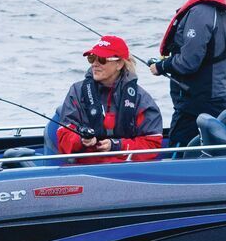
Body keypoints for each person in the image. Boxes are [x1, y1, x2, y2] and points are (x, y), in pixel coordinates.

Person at [147, 0, 226, 148]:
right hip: (209, 97)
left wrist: (161, 66)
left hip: (198, 101)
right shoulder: (212, 8)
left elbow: (189, 61)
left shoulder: (201, 11)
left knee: (182, 149)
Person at [55, 36, 164, 164]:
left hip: (125, 170)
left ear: (119, 64)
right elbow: (64, 135)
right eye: (91, 58)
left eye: (101, 59)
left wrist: (117, 145)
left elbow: (152, 145)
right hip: (85, 168)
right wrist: (81, 139)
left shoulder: (141, 98)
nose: (95, 64)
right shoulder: (77, 91)